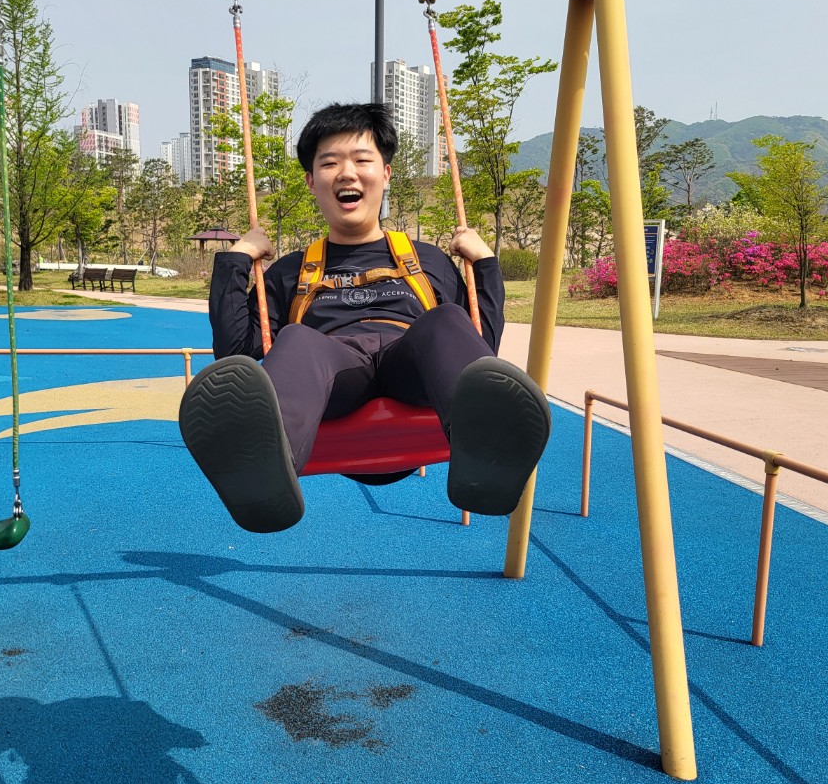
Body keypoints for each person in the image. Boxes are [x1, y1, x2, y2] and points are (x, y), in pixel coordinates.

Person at [178, 103, 551, 533]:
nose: (346, 173)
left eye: (361, 160)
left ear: (386, 174)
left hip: (411, 363)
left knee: (447, 319)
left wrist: (484, 264)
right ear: (311, 181)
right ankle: (263, 467)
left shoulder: (428, 260)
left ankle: (490, 447)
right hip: (333, 370)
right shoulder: (290, 272)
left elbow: (479, 345)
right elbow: (234, 353)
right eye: (329, 163)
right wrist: (238, 259)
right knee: (296, 338)